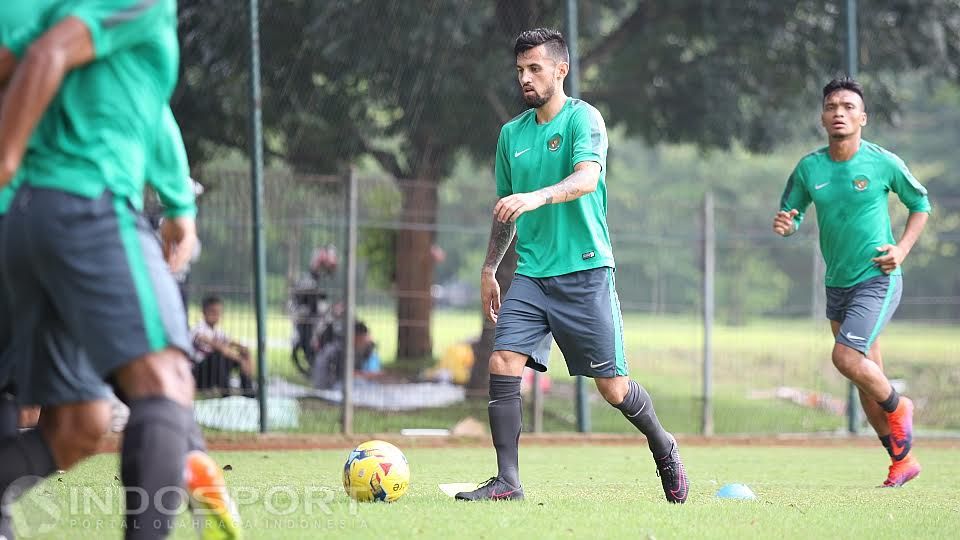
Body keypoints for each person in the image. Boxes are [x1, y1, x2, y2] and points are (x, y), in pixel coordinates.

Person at [0, 2, 240, 538]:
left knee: (77, 422)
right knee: (165, 379)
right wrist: (6, 160)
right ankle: (187, 455)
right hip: (86, 203)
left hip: (24, 217)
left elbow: (31, 60)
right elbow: (47, 55)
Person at [456, 28, 688, 503]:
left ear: (560, 69)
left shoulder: (586, 120)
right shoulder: (510, 136)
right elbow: (506, 210)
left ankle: (663, 444)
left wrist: (538, 195)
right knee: (502, 361)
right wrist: (488, 269)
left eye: (535, 68)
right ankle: (508, 481)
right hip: (532, 275)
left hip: (585, 273)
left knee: (613, 388)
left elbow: (585, 179)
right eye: (520, 70)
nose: (525, 77)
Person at [773, 77, 930, 488]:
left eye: (847, 106)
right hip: (837, 283)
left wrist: (902, 249)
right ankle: (902, 460)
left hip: (877, 277)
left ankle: (900, 405)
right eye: (831, 106)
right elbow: (792, 214)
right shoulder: (810, 167)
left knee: (845, 358)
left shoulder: (883, 163)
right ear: (822, 117)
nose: (838, 112)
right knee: (864, 376)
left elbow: (920, 204)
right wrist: (787, 225)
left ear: (863, 117)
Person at [192, 295, 255, 397]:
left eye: (218, 312)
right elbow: (219, 347)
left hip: (213, 372)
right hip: (199, 374)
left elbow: (231, 342)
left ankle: (249, 394)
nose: (216, 315)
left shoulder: (218, 331)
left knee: (242, 353)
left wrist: (245, 352)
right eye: (212, 312)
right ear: (204, 312)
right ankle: (226, 394)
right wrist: (240, 360)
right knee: (218, 356)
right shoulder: (198, 329)